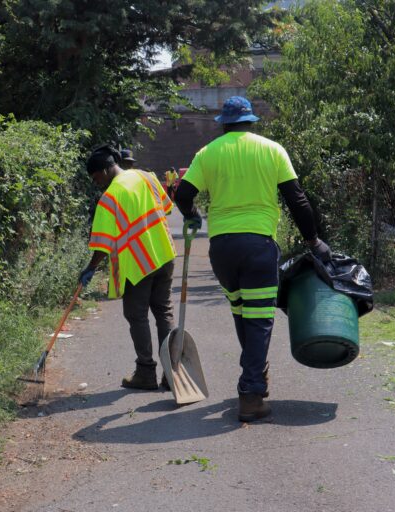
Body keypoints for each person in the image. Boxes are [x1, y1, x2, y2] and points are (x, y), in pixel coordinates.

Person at [174, 96, 332, 422]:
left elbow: (183, 194)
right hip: (259, 246)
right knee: (259, 320)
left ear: (224, 123)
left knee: (243, 313)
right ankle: (251, 394)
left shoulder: (208, 153)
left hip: (222, 249)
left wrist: (192, 216)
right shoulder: (273, 150)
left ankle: (254, 375)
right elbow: (297, 199)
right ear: (251, 120)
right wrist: (312, 239)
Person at [79, 145, 176, 390]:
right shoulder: (148, 176)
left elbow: (102, 245)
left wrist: (90, 268)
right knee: (163, 312)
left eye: (95, 177)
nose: (96, 183)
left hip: (138, 263)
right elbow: (166, 208)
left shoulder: (110, 197)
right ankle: (172, 372)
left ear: (104, 170)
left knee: (137, 315)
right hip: (164, 254)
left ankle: (145, 372)